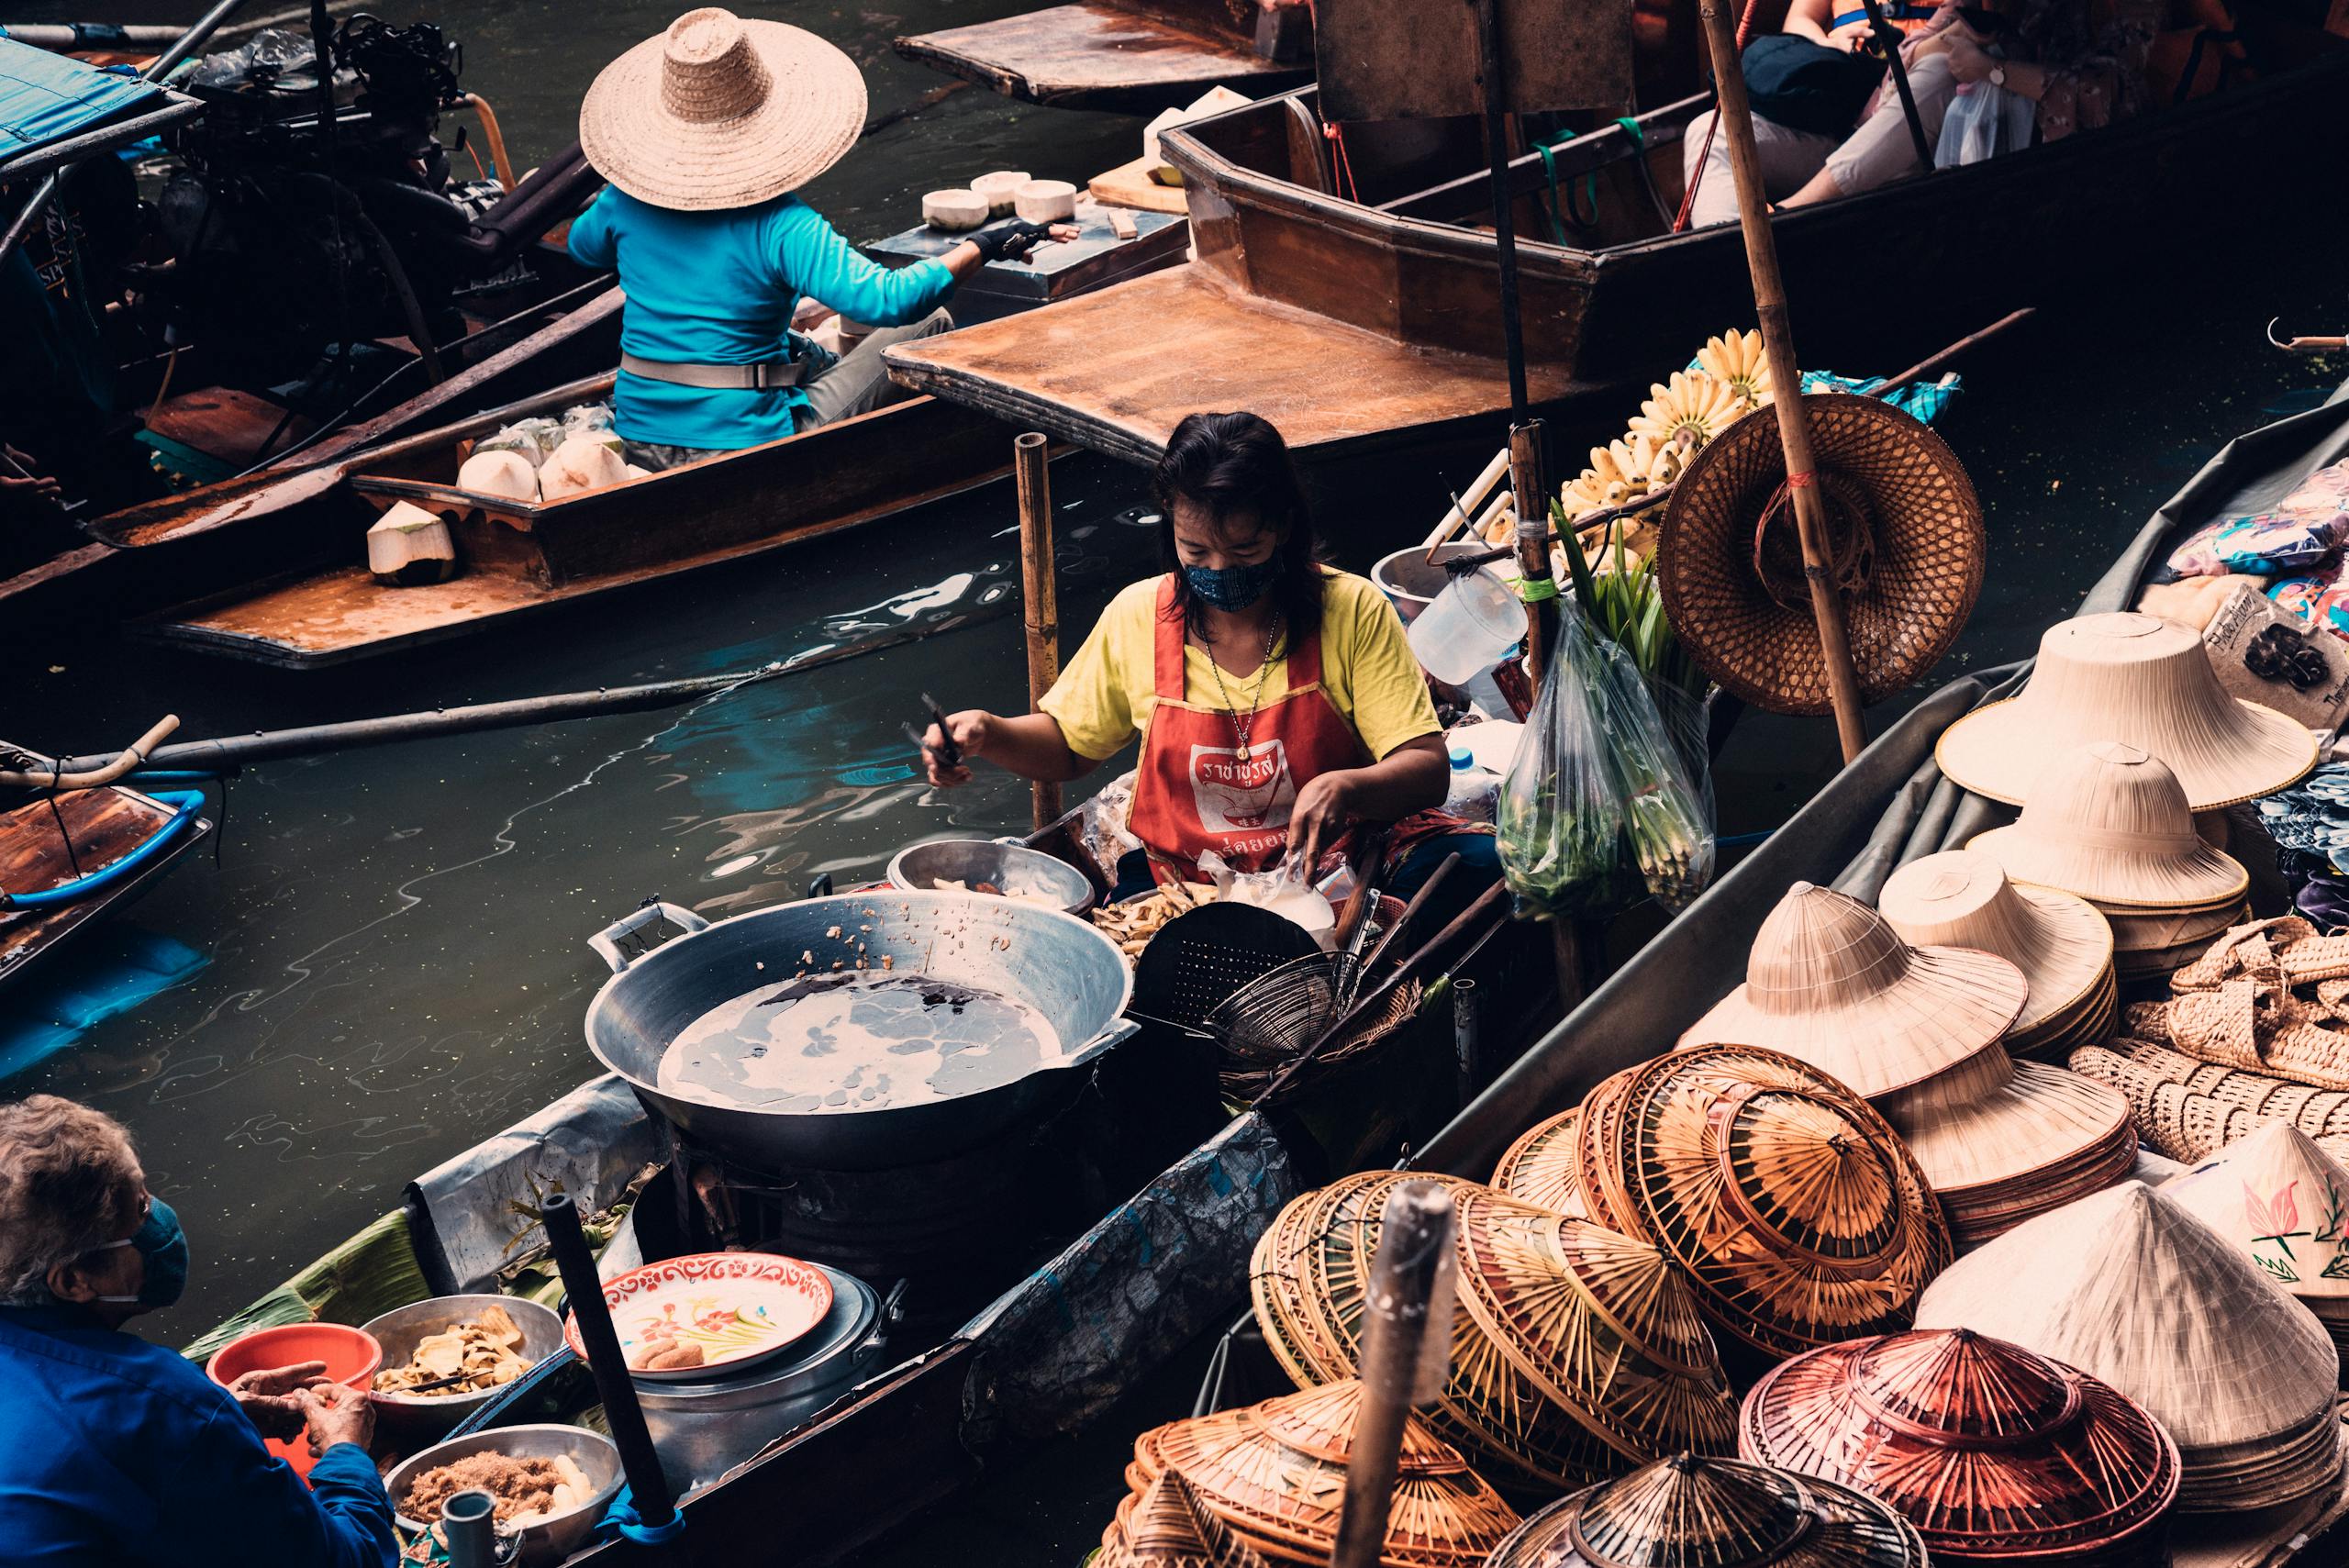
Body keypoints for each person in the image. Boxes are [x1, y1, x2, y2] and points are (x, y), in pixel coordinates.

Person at [919, 411, 1497, 906]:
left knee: (1478, 866)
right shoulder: (1138, 616)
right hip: (1188, 887)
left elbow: (1426, 767)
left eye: (1245, 549)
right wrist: (988, 732)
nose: (1219, 570)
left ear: (1284, 528)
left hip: (1336, 870)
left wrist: (1348, 787)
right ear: (1169, 524)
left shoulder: (1351, 609)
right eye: (1195, 550)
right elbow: (1069, 748)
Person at [568, 8, 1065, 470]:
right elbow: (888, 301)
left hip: (638, 431)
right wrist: (989, 242)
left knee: (802, 349)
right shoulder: (783, 225)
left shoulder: (622, 202)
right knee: (931, 321)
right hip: (740, 445)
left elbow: (582, 248)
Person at [0, 1095, 396, 1568]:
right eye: (142, 1211)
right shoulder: (155, 1404)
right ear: (74, 1281)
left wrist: (222, 1417)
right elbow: (351, 1562)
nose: (160, 1222)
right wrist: (347, 1453)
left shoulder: (158, 1408)